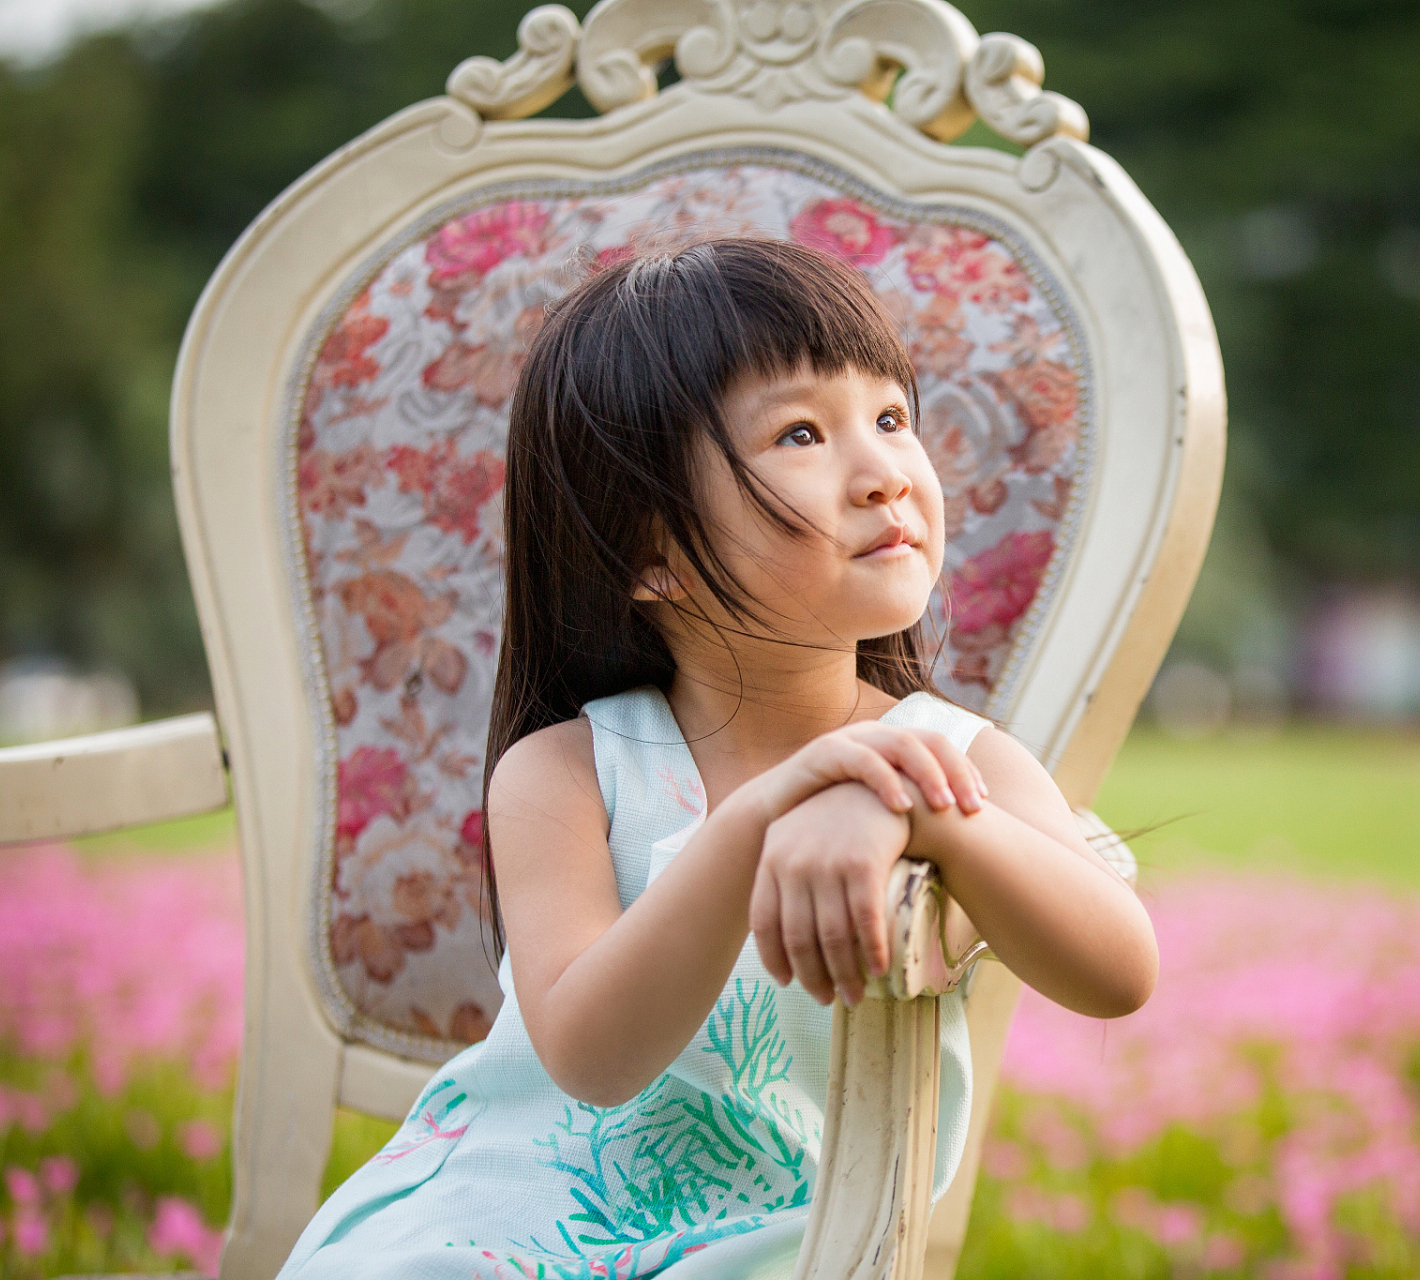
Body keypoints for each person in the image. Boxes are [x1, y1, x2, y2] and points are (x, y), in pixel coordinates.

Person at [278, 237, 1158, 1279]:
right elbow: (594, 1059)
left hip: (777, 1246)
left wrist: (917, 806)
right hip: (486, 1223)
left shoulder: (961, 759)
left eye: (889, 417)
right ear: (649, 550)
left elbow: (1117, 968)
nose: (884, 473)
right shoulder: (567, 771)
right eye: (800, 432)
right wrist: (761, 817)